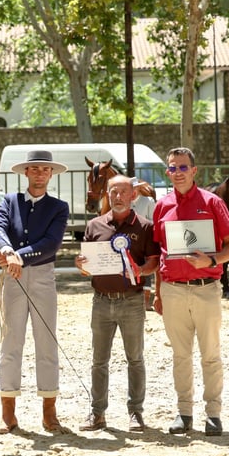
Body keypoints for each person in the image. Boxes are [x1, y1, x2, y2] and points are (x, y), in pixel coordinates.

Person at [152, 147, 229, 437]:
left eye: (182, 167)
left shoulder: (213, 203)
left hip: (206, 289)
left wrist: (211, 260)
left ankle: (213, 414)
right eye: (172, 168)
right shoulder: (162, 206)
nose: (177, 172)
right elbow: (159, 253)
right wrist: (158, 292)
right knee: (180, 355)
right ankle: (184, 412)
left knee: (210, 355)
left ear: (194, 170)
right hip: (172, 290)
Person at [0, 149, 70, 434]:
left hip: (41, 276)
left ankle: (49, 412)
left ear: (51, 174)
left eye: (44, 170)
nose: (39, 173)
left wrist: (18, 256)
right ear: (26, 172)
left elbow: (51, 243)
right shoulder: (9, 201)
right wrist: (7, 251)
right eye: (34, 169)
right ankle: (8, 412)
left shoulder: (58, 207)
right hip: (12, 275)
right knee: (11, 342)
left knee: (46, 342)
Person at [75, 175, 160, 432]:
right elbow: (87, 265)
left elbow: (154, 262)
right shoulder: (94, 226)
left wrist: (141, 270)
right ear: (107, 195)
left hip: (132, 301)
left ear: (133, 195)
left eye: (123, 192)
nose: (118, 197)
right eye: (113, 192)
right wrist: (81, 266)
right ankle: (97, 413)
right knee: (99, 360)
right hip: (101, 301)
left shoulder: (145, 227)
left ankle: (136, 412)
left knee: (135, 359)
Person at [131, 178, 157, 310]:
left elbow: (153, 220)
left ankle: (146, 301)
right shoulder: (126, 201)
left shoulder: (148, 201)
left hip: (145, 238)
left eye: (134, 188)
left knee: (147, 267)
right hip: (131, 240)